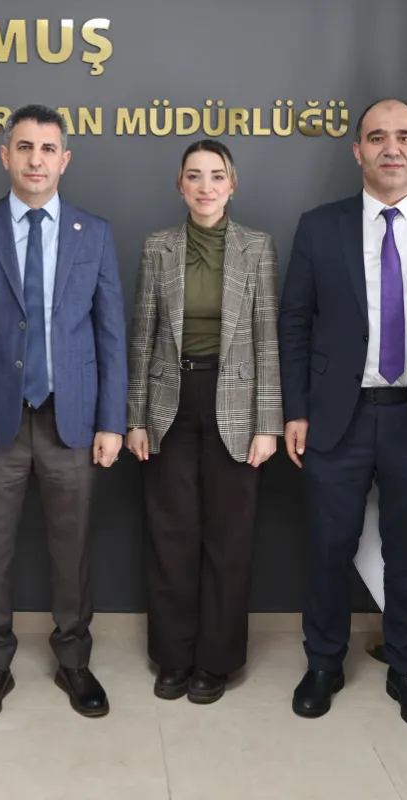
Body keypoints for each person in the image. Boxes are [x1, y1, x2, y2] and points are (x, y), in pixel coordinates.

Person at [279, 98, 407, 730]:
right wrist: (296, 410)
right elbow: (294, 323)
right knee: (328, 549)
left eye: (404, 137)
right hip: (335, 418)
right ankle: (323, 664)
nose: (391, 148)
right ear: (358, 151)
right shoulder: (320, 227)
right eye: (377, 137)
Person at [0, 103, 127, 723]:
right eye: (24, 147)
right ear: (5, 155)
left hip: (72, 422)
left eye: (48, 149)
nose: (36, 160)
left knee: (72, 550)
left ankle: (74, 659)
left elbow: (110, 336)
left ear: (64, 159)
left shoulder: (93, 232)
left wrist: (111, 421)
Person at [126, 139, 282, 704]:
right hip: (170, 403)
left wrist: (268, 424)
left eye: (217, 176)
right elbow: (142, 336)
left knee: (229, 538)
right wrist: (135, 417)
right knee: (170, 536)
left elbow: (267, 339)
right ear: (180, 186)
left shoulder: (257, 247)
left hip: (235, 404)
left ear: (232, 186)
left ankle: (215, 661)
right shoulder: (158, 247)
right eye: (194, 176)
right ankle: (173, 656)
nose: (206, 186)